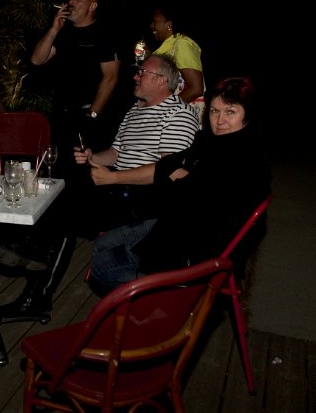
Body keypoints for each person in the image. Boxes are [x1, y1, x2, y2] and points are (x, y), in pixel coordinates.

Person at [0, 53, 199, 317]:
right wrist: (92, 157)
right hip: (122, 187)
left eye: (142, 73)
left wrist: (113, 178)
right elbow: (116, 153)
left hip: (149, 197)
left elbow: (167, 172)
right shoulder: (135, 110)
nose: (135, 76)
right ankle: (31, 253)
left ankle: (35, 281)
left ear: (162, 80)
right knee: (63, 180)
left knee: (68, 204)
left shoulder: (178, 115)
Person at [87, 76, 272, 295]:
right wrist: (179, 175)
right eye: (214, 111)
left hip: (195, 252)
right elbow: (169, 167)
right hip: (177, 225)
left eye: (230, 112)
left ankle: (155, 305)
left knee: (100, 268)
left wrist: (179, 177)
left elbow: (192, 198)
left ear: (247, 115)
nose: (220, 120)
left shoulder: (246, 158)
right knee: (101, 244)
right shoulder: (211, 142)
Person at [30, 0, 123, 158]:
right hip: (61, 114)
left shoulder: (105, 35)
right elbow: (37, 59)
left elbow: (110, 77)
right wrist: (54, 29)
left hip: (89, 114)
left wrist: (92, 115)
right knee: (58, 164)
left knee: (86, 164)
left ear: (92, 6)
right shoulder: (63, 32)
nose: (71, 1)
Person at [150, 4, 206, 120]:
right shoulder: (167, 48)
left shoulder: (182, 44)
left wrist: (164, 110)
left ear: (169, 24)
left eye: (155, 22)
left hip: (181, 117)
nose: (152, 26)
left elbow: (196, 88)